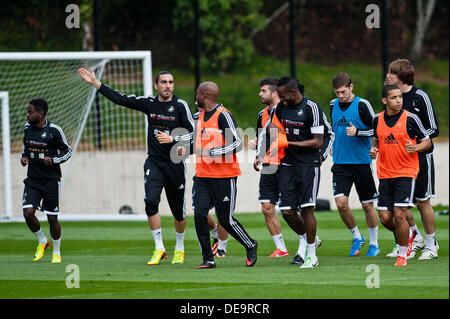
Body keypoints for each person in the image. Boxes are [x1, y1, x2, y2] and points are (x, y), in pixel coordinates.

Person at [78, 68, 194, 265]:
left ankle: (179, 248)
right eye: (164, 82)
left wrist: (173, 138)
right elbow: (121, 99)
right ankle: (159, 248)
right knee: (150, 201)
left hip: (175, 163)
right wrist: (97, 84)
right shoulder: (149, 103)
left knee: (178, 211)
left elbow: (194, 134)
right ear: (156, 85)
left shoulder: (181, 106)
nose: (168, 86)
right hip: (154, 162)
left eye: (171, 82)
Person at [187, 81, 258, 269]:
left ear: (204, 95)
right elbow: (195, 142)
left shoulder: (223, 115)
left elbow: (237, 143)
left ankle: (250, 244)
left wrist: (211, 153)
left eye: (197, 93)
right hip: (202, 176)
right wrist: (183, 148)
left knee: (225, 220)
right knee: (200, 215)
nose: (195, 97)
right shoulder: (197, 116)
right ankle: (208, 259)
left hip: (224, 176)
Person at [370, 84, 431, 266]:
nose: (398, 100)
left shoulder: (411, 119)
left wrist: (416, 147)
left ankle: (402, 254)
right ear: (384, 100)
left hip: (406, 172)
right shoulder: (377, 119)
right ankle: (409, 234)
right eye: (393, 97)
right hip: (385, 174)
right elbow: (376, 140)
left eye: (400, 97)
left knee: (399, 214)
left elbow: (427, 142)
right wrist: (374, 150)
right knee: (385, 218)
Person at [384, 59, 439, 259]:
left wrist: (415, 143)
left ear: (402, 77)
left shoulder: (420, 97)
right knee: (401, 204)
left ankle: (432, 245)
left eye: (392, 73)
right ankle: (415, 237)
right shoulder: (391, 97)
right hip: (398, 162)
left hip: (421, 158)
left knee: (423, 201)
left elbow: (433, 128)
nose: (388, 75)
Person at [273, 76, 325, 268]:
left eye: (283, 96)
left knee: (307, 209)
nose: (281, 99)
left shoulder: (312, 108)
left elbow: (318, 141)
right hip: (287, 164)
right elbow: (273, 128)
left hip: (308, 164)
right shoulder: (281, 108)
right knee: (287, 211)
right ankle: (311, 238)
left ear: (293, 93)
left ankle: (311, 255)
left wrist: (288, 143)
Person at [329, 73, 380, 257]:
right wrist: (331, 146)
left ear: (351, 87)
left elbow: (378, 129)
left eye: (343, 92)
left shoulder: (362, 104)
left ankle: (374, 243)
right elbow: (332, 130)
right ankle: (357, 236)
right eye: (337, 92)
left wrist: (358, 132)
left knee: (367, 206)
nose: (340, 96)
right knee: (341, 204)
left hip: (361, 163)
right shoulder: (333, 105)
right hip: (341, 163)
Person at [21, 98, 72, 263]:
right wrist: (24, 157)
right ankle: (43, 241)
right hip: (33, 180)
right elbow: (26, 147)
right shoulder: (27, 128)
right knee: (28, 212)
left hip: (51, 180)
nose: (27, 115)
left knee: (52, 218)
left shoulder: (54, 130)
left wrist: (54, 159)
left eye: (30, 112)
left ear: (40, 113)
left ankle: (56, 251)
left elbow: (67, 151)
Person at [252, 77, 289, 258]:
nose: (260, 94)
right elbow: (262, 137)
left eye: (263, 91)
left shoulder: (288, 110)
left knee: (291, 209)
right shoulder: (262, 114)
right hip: (269, 164)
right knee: (267, 207)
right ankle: (281, 248)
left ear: (274, 93)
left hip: (287, 164)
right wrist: (258, 156)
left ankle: (309, 238)